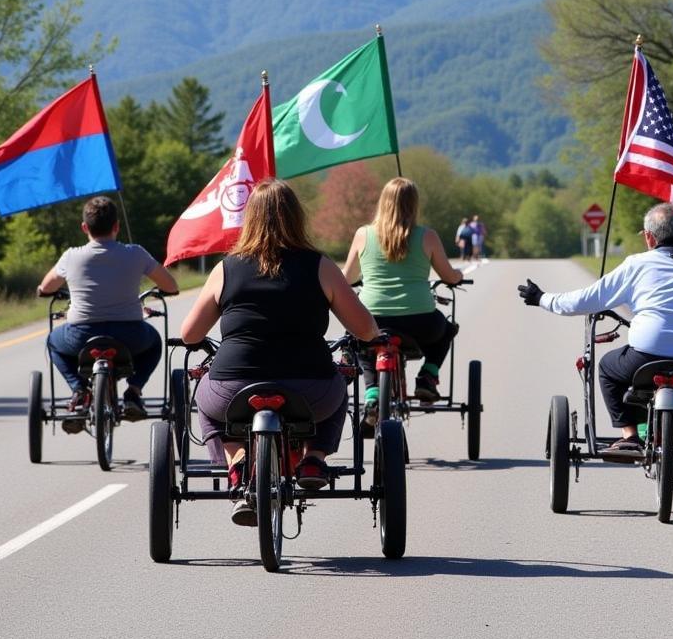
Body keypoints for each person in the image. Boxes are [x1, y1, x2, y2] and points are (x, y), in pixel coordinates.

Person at [179, 178, 379, 526]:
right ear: (296, 217)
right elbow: (364, 329)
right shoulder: (320, 266)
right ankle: (315, 457)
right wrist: (373, 333)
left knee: (205, 404)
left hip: (233, 388)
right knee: (339, 383)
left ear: (249, 219)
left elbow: (189, 334)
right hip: (310, 388)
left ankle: (236, 461)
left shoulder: (226, 268)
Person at [517, 202, 673, 457]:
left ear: (649, 237)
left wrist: (542, 298)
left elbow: (585, 299)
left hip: (647, 355)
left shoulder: (636, 265)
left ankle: (629, 435)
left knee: (607, 368)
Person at [38, 195, 178, 432]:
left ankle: (79, 390)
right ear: (116, 226)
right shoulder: (136, 253)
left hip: (81, 335)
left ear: (85, 227)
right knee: (154, 342)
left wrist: (43, 290)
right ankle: (134, 391)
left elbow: (47, 287)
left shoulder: (71, 256)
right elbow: (171, 286)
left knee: (52, 341)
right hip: (130, 336)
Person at [343, 177, 463, 433]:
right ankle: (428, 376)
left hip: (373, 318)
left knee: (359, 341)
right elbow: (448, 276)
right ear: (414, 204)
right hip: (421, 323)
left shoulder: (363, 234)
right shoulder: (427, 236)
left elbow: (348, 279)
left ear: (382, 203)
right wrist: (458, 277)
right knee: (447, 328)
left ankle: (372, 391)